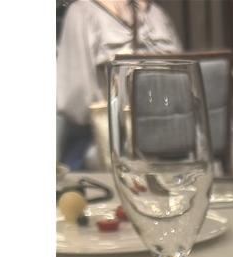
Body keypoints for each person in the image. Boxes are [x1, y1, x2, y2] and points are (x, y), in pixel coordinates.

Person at [57, 0, 182, 169]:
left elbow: (183, 82)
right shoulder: (82, 13)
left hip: (171, 144)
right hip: (110, 148)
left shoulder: (156, 13)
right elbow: (75, 102)